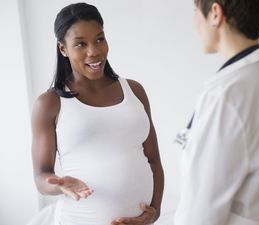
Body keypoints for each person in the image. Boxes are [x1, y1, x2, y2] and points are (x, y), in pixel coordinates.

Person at [31, 3, 164, 225]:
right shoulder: (50, 103)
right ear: (63, 49)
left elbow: (154, 159)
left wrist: (156, 212)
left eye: (99, 39)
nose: (94, 51)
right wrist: (60, 184)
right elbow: (41, 177)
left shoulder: (135, 91)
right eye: (81, 44)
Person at [174, 0, 259, 225]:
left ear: (215, 13)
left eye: (195, 11)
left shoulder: (226, 95)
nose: (194, 21)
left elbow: (202, 211)